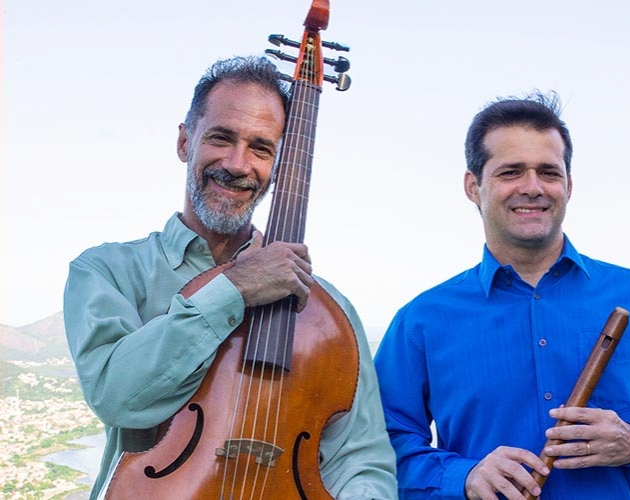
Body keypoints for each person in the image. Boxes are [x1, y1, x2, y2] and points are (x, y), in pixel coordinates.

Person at [63, 56, 397, 500]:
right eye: (221, 138)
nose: (238, 164)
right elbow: (118, 397)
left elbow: (361, 459)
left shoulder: (329, 313)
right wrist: (234, 288)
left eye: (261, 148)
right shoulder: (107, 271)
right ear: (185, 142)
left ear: (280, 167)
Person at [373, 91, 630, 500]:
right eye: (511, 172)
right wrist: (463, 476)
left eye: (548, 172)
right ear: (473, 186)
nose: (532, 187)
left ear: (568, 186)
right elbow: (379, 445)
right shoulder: (421, 320)